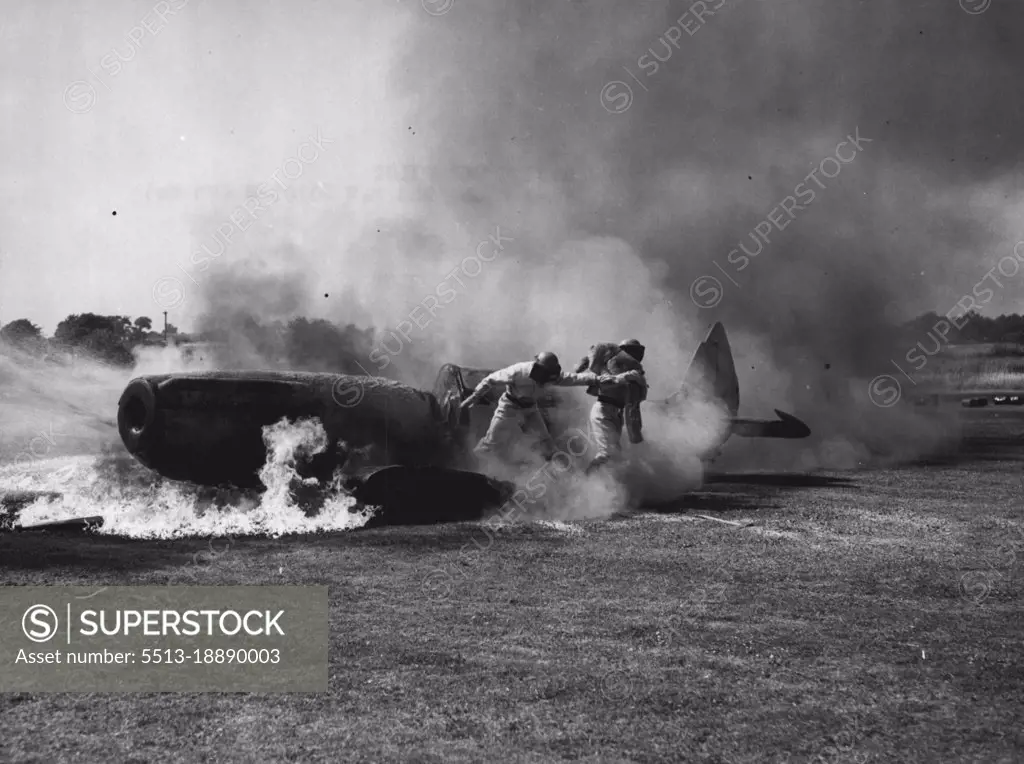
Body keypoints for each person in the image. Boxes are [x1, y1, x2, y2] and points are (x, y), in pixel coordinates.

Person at [459, 351, 640, 466]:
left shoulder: (552, 376)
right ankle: (472, 467)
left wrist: (612, 379)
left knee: (546, 443)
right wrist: (474, 397)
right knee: (492, 442)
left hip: (531, 409)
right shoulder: (519, 371)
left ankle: (561, 477)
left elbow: (579, 379)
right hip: (509, 407)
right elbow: (490, 379)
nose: (545, 380)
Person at [574, 339, 648, 472]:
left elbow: (634, 404)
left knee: (616, 455)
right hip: (603, 410)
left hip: (616, 413)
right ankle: (585, 480)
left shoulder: (634, 374)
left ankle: (603, 486)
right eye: (631, 351)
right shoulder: (611, 367)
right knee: (606, 453)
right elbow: (609, 381)